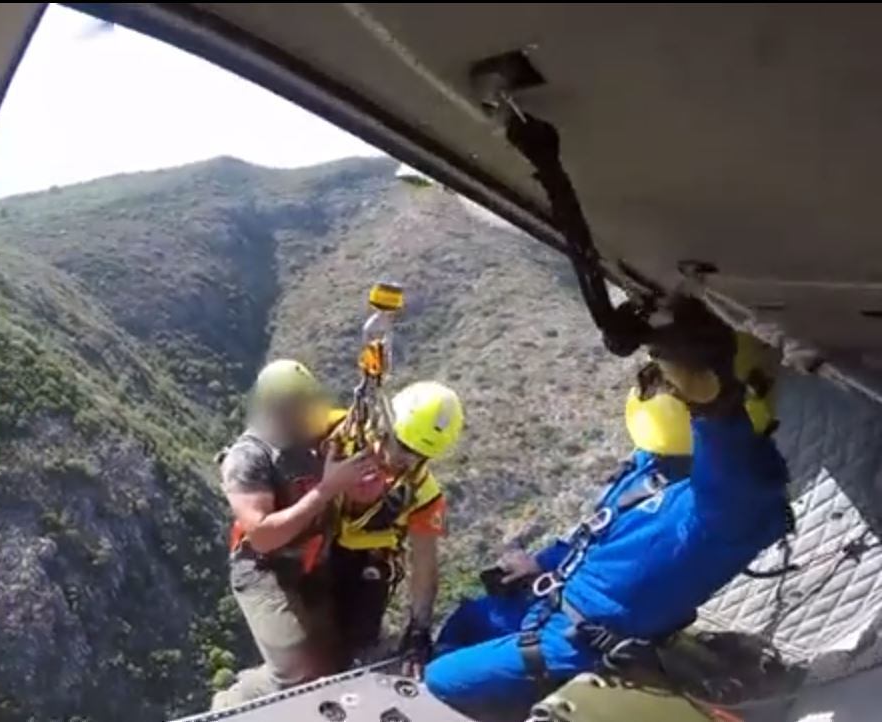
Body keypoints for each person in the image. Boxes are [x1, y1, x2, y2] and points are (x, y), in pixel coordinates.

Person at [424, 300, 789, 720]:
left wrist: (714, 407)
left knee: (439, 683)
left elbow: (729, 481)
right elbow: (598, 537)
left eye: (666, 381)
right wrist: (539, 568)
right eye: (653, 377)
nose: (651, 389)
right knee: (469, 621)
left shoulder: (738, 493)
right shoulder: (658, 463)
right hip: (555, 599)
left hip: (579, 640)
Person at [212, 359, 375, 710]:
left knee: (330, 659)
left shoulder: (319, 438)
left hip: (312, 560)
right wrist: (329, 487)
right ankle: (232, 702)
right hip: (263, 569)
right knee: (298, 674)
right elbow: (263, 536)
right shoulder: (249, 457)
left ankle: (264, 681)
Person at [328, 381, 463, 677]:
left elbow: (424, 564)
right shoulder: (341, 438)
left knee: (356, 644)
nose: (408, 459)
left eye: (419, 454)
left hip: (366, 565)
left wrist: (419, 629)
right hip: (317, 549)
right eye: (403, 446)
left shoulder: (424, 495)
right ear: (387, 426)